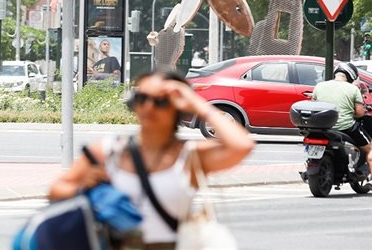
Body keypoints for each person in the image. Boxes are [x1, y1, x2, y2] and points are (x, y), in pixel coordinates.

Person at [49, 70, 254, 249]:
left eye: (161, 101)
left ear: (178, 106)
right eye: (142, 98)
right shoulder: (109, 151)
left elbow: (242, 145)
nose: (149, 107)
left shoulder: (189, 155)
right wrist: (84, 189)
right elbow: (56, 191)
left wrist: (198, 104)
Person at [312, 62, 372, 182]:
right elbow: (360, 113)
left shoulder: (319, 86)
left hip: (323, 127)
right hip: (346, 127)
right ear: (351, 76)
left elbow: (313, 106)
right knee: (370, 149)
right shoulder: (353, 89)